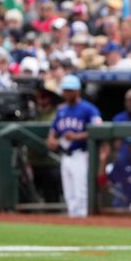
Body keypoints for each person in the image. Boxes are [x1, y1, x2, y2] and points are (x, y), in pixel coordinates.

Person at [46, 75, 102, 218]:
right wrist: (51, 139)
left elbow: (98, 130)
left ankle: (83, 220)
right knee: (69, 193)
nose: (66, 93)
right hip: (66, 155)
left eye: (69, 90)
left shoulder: (89, 109)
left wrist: (77, 136)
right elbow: (54, 129)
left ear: (77, 91)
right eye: (65, 90)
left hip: (81, 154)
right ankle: (72, 220)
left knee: (81, 193)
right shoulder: (62, 110)